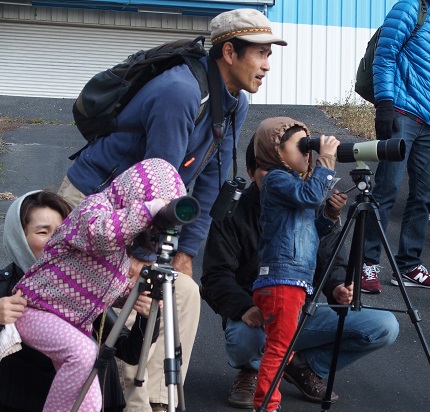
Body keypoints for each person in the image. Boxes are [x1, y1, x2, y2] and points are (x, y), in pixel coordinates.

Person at [56, 8, 287, 411]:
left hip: (147, 208)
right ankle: (131, 400)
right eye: (261, 54)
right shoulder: (180, 92)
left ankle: (161, 400)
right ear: (229, 52)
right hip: (95, 204)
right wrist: (142, 257)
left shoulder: (236, 102)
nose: (267, 65)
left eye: (270, 55)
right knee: (135, 299)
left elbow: (213, 179)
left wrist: (184, 253)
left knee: (183, 292)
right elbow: (157, 182)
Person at [200, 137, 399, 410]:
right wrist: (243, 308)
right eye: (268, 170)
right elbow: (214, 276)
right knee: (248, 336)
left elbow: (331, 258)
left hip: (303, 308)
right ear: (250, 171)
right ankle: (253, 371)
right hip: (258, 312)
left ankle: (300, 366)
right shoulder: (233, 210)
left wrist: (338, 286)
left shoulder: (310, 202)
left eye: (287, 171)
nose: (278, 177)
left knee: (384, 327)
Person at [12, 158, 186, 411]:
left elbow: (105, 288)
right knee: (85, 352)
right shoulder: (94, 208)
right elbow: (100, 233)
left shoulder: (121, 254)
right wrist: (149, 208)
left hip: (72, 327)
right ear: (135, 194)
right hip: (36, 310)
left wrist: (136, 296)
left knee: (91, 402)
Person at [0, 190, 158, 412]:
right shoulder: (5, 288)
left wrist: (147, 316)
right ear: (18, 237)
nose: (55, 240)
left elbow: (128, 352)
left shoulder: (82, 291)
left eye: (62, 232)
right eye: (43, 232)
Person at [361, 0, 430, 292]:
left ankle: (408, 266)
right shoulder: (410, 7)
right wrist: (385, 104)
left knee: (425, 195)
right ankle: (366, 264)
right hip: (401, 112)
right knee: (386, 189)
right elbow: (384, 56)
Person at [250, 117, 340, 412]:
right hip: (282, 281)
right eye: (301, 146)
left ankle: (279, 373)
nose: (308, 153)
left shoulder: (292, 187)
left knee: (282, 343)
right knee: (279, 347)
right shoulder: (275, 178)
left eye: (310, 147)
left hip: (291, 281)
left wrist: (328, 214)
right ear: (276, 150)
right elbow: (310, 194)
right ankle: (267, 406)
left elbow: (311, 232)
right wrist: (326, 163)